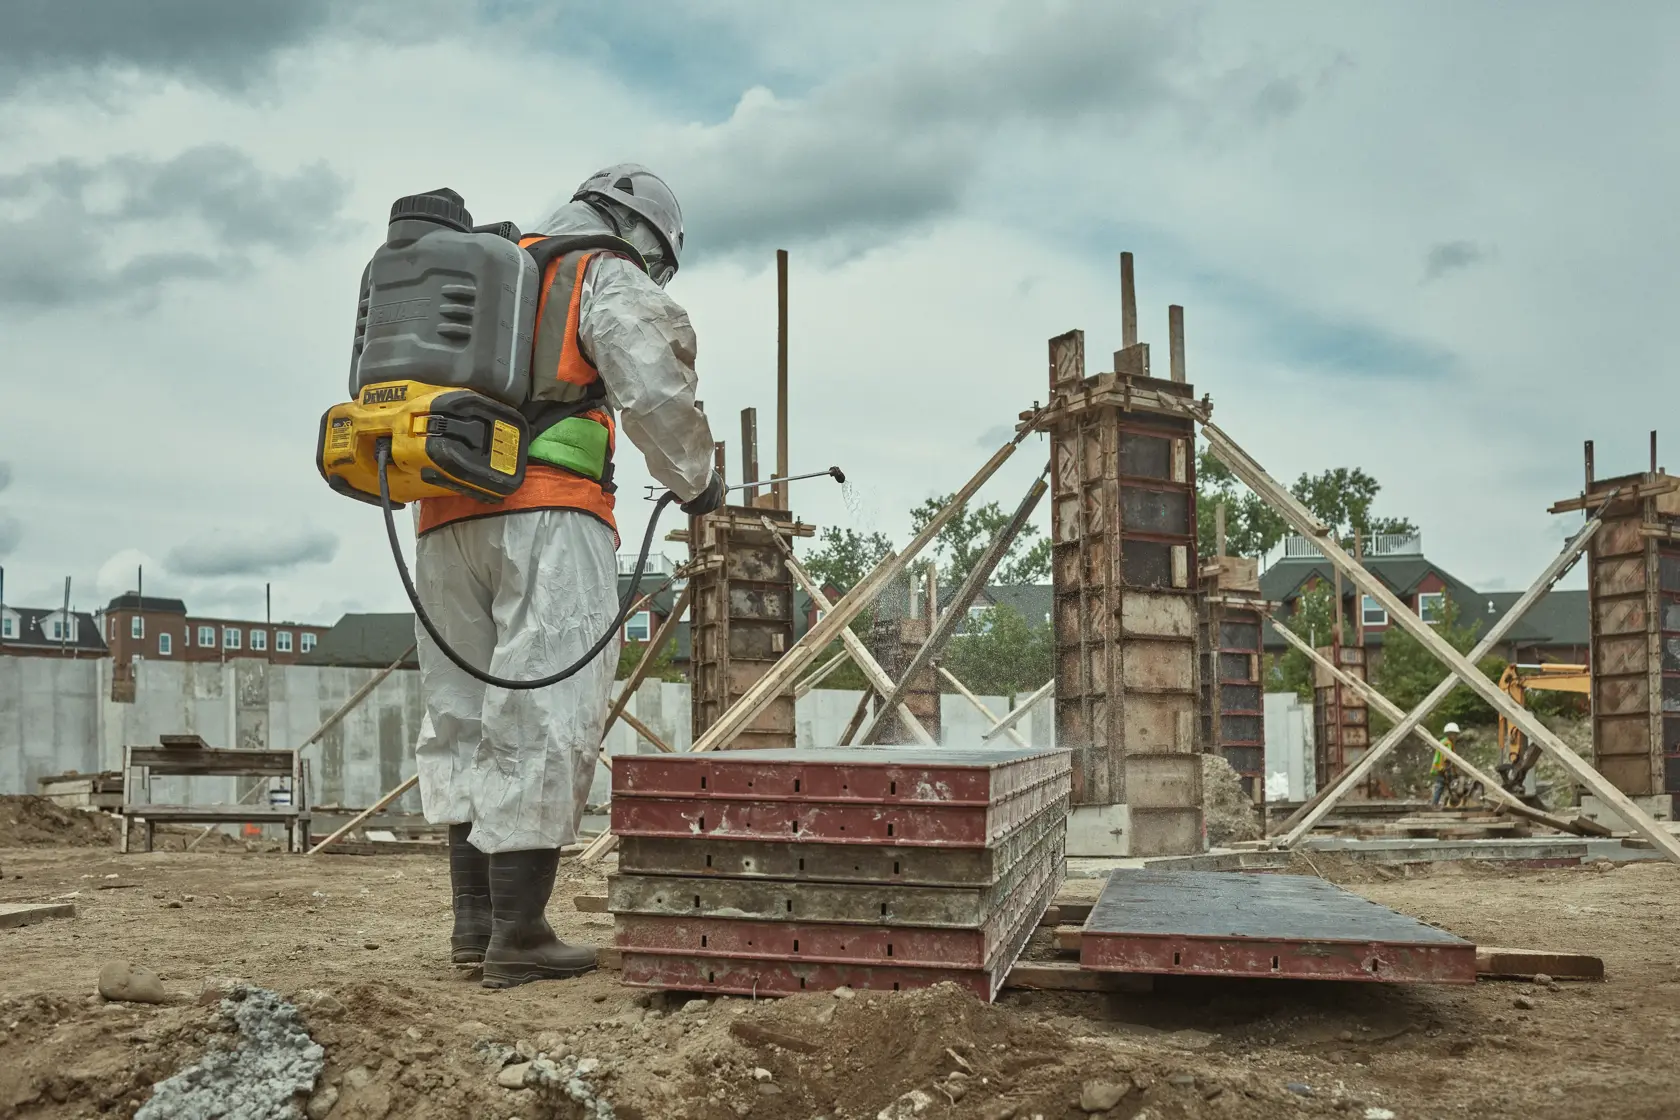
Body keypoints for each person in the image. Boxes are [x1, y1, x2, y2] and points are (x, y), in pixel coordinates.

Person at [410, 165, 725, 989]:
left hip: (443, 518)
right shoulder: (599, 271)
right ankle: (519, 935)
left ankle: (471, 927)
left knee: (463, 714)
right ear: (645, 235)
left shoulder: (486, 270)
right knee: (545, 711)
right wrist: (698, 480)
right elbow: (653, 386)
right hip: (549, 510)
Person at [1430, 723, 1461, 809]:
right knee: (1442, 786)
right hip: (1443, 769)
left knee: (1442, 786)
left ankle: (1441, 803)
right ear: (1450, 734)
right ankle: (1435, 804)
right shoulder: (1447, 743)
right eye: (1455, 734)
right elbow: (1447, 758)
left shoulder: (1443, 741)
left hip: (1440, 769)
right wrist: (1449, 770)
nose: (1456, 736)